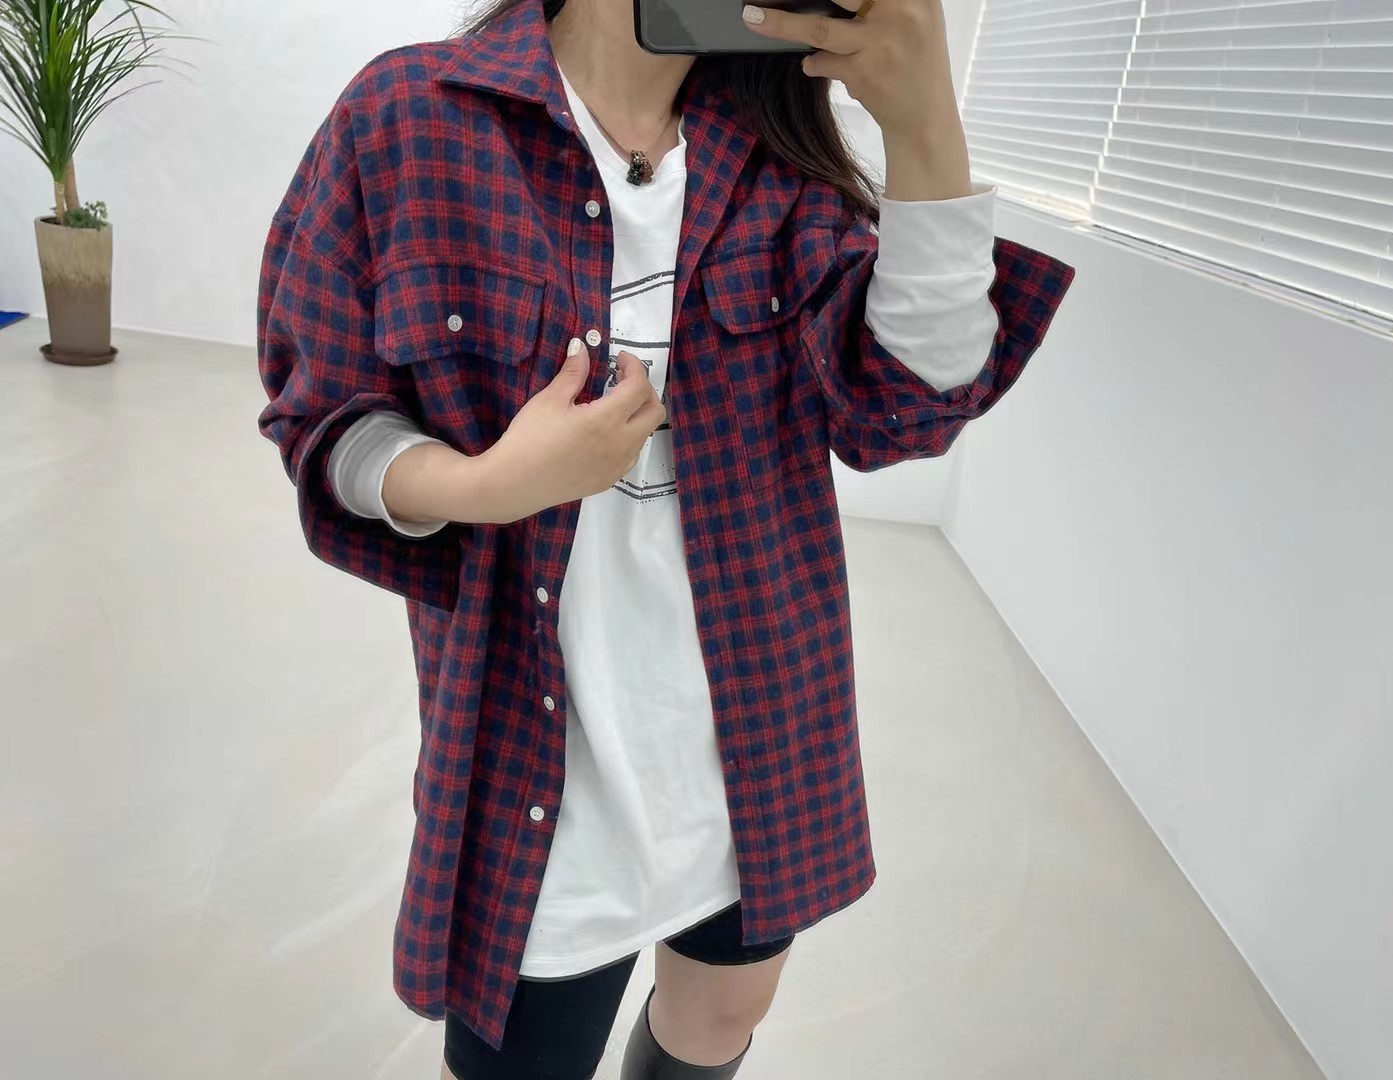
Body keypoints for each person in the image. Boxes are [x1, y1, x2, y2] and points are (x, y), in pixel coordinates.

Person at [257, 0, 1072, 1076]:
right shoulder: (409, 115)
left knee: (718, 1023)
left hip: (762, 742)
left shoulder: (777, 162)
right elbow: (324, 414)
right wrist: (485, 486)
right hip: (539, 765)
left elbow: (907, 410)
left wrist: (925, 126)